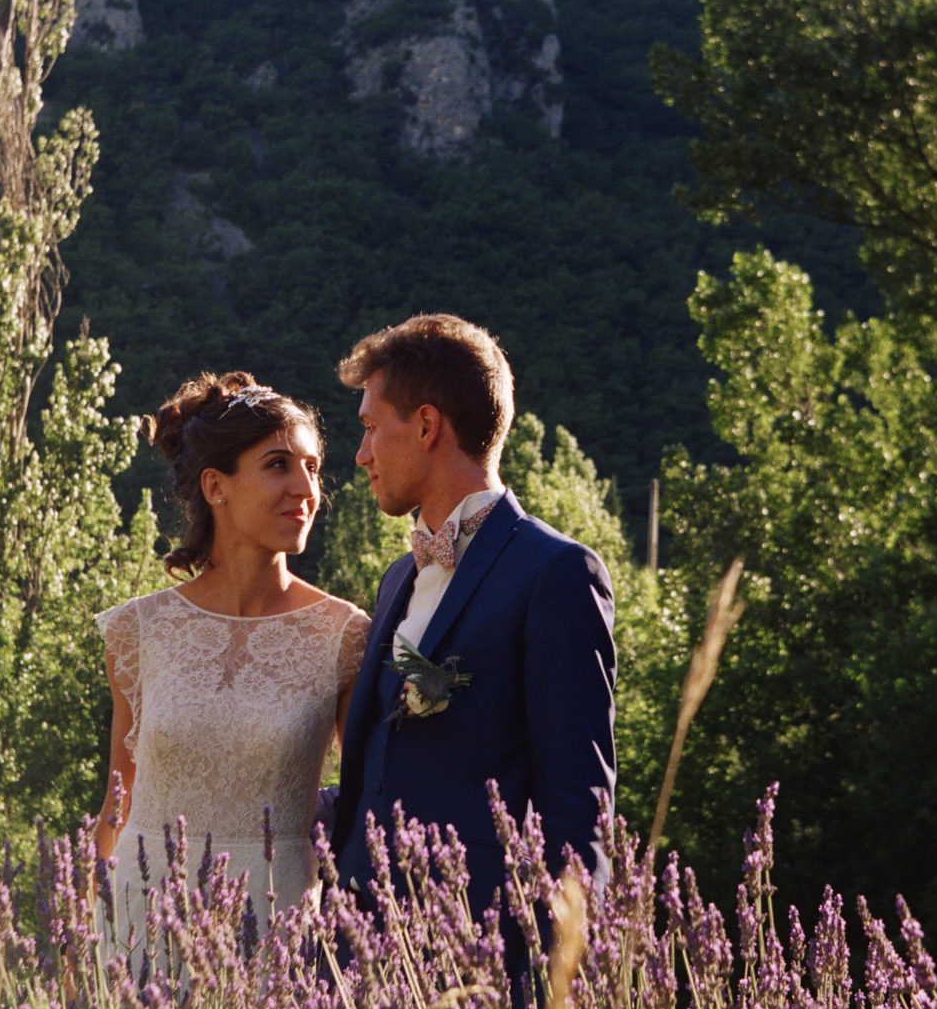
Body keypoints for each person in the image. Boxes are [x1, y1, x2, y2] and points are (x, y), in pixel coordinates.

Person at [328, 314, 617, 918]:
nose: (360, 455)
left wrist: (561, 978)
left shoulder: (556, 573)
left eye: (371, 428)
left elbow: (577, 805)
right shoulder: (396, 580)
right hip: (361, 948)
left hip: (482, 946)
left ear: (427, 425)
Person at [94, 373, 370, 937]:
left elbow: (370, 803)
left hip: (276, 924)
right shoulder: (136, 630)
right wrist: (81, 943)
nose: (306, 488)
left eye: (312, 467)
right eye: (278, 465)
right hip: (140, 920)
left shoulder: (344, 636)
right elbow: (115, 805)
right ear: (216, 486)